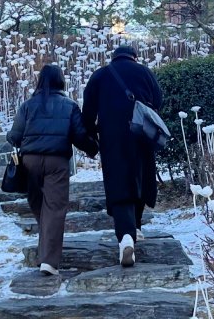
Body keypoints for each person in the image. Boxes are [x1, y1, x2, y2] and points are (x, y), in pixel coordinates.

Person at [7, 64, 97, 276]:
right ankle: (48, 260)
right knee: (54, 209)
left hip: (29, 161)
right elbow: (79, 136)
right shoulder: (69, 105)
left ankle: (44, 251)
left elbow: (15, 136)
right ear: (61, 81)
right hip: (57, 162)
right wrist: (94, 148)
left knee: (39, 207)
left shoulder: (27, 105)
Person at [82, 45, 163, 268]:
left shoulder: (101, 75)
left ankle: (126, 235)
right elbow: (158, 100)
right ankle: (136, 225)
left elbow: (88, 110)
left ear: (113, 57)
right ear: (135, 57)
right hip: (141, 133)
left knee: (118, 181)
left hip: (112, 137)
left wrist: (91, 135)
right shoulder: (145, 72)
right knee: (141, 175)